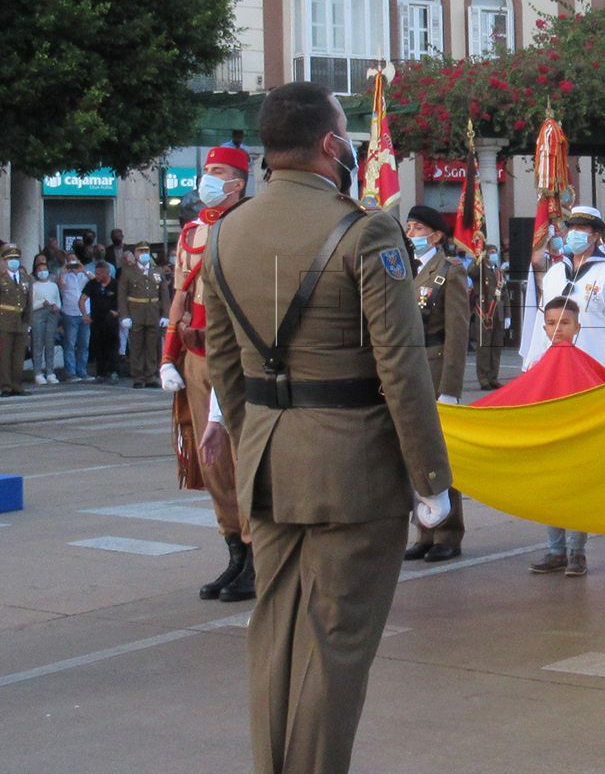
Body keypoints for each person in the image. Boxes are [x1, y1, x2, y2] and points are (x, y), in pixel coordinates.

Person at [199, 81, 453, 774]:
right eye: (346, 133)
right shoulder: (367, 229)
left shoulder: (225, 233)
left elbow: (224, 363)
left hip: (269, 461)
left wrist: (261, 437)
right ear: (329, 143)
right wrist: (431, 477)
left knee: (274, 638)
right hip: (352, 468)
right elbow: (401, 364)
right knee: (336, 645)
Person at [161, 143, 255, 602]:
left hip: (235, 355)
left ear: (238, 181)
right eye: (207, 170)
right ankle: (234, 549)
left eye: (218, 171)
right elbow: (180, 298)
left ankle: (257, 555)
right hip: (197, 356)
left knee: (243, 458)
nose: (208, 179)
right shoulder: (191, 233)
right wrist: (168, 356)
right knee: (211, 460)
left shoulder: (250, 227)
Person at [402, 204, 469, 563]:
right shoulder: (405, 270)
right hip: (408, 371)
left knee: (440, 454)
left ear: (436, 235)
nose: (410, 234)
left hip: (435, 369)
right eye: (409, 227)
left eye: (417, 228)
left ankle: (448, 531)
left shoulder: (449, 271)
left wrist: (451, 389)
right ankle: (424, 530)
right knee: (414, 452)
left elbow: (457, 334)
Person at [526, 296, 597, 577]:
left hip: (577, 440)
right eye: (551, 323)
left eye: (565, 323)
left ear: (577, 327)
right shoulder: (539, 363)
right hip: (550, 438)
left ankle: (577, 552)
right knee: (552, 493)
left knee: (577, 495)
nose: (557, 329)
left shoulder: (584, 363)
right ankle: (556, 551)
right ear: (544, 327)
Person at [524, 206, 605, 373]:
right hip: (556, 367)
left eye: (580, 228)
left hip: (593, 366)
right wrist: (534, 361)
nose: (573, 233)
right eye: (572, 228)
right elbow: (542, 321)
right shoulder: (555, 272)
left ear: (595, 236)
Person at [117, 241, 170, 389]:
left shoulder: (157, 271)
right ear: (135, 254)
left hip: (153, 312)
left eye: (146, 251)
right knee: (137, 346)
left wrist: (166, 314)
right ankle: (138, 376)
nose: (144, 254)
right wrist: (124, 315)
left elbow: (164, 295)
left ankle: (151, 376)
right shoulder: (128, 272)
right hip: (136, 312)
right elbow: (122, 295)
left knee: (152, 346)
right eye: (140, 251)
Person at [0, 246, 32, 397]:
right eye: (11, 259)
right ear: (5, 261)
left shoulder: (27, 279)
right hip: (4, 320)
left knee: (19, 356)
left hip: (21, 320)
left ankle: (17, 385)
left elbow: (29, 303)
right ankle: (6, 386)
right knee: (5, 355)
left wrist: (28, 322)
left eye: (16, 259)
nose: (14, 262)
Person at [474, 243, 507, 390]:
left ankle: (493, 377)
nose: (494, 255)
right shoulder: (480, 270)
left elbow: (504, 294)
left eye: (495, 252)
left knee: (496, 347)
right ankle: (483, 379)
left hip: (498, 314)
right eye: (491, 252)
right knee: (484, 347)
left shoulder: (498, 272)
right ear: (485, 254)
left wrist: (507, 315)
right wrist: (478, 258)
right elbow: (471, 272)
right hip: (484, 313)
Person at [83, 262, 121, 381]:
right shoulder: (92, 284)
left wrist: (118, 312)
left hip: (111, 320)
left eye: (99, 273)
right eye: (96, 273)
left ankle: (114, 372)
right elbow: (82, 299)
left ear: (106, 273)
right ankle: (101, 373)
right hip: (96, 320)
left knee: (113, 346)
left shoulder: (115, 284)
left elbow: (123, 300)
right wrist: (85, 314)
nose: (97, 276)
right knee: (99, 346)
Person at [29, 255, 62, 384]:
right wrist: (42, 304)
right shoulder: (34, 286)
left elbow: (58, 301)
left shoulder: (53, 285)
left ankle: (50, 372)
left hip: (52, 314)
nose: (43, 272)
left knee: (50, 343)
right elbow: (31, 304)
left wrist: (56, 307)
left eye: (45, 269)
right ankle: (38, 372)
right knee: (38, 343)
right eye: (40, 270)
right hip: (38, 314)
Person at [58, 257, 92, 381]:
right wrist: (64, 271)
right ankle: (70, 372)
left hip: (85, 313)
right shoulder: (65, 275)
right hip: (70, 312)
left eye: (75, 261)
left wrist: (83, 270)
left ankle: (82, 371)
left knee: (84, 343)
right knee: (70, 343)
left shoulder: (86, 274)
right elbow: (61, 286)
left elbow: (95, 282)